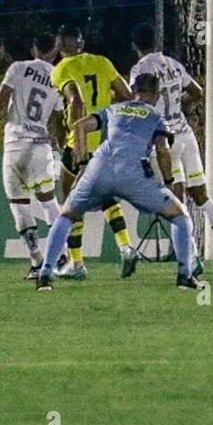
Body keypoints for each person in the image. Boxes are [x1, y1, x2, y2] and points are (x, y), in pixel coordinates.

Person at [36, 73, 198, 291]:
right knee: (180, 216)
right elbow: (162, 149)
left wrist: (83, 162)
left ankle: (45, 276)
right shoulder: (154, 116)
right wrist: (169, 181)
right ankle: (184, 277)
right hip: (133, 174)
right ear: (157, 95)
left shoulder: (114, 109)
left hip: (99, 168)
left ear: (134, 90)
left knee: (66, 216)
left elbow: (80, 126)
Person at [130, 23, 213, 274]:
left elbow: (136, 103)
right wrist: (180, 105)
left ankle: (192, 259)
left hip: (162, 139)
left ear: (135, 46)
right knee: (201, 196)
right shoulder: (173, 64)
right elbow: (197, 91)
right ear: (157, 42)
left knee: (175, 204)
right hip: (184, 134)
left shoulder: (140, 69)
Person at [0, 33, 65, 278]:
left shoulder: (19, 68)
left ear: (34, 48)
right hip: (41, 145)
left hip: (15, 144)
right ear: (54, 51)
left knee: (19, 204)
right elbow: (59, 120)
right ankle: (60, 254)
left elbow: (0, 99)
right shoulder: (58, 78)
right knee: (48, 201)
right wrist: (62, 146)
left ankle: (36, 261)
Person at [50, 25, 135, 278]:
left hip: (80, 144)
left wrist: (81, 146)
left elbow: (76, 101)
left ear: (59, 45)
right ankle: (126, 247)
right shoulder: (102, 62)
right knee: (106, 196)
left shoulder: (61, 69)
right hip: (107, 141)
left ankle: (76, 264)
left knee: (71, 199)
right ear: (81, 42)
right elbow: (127, 95)